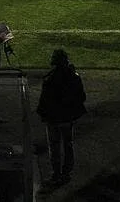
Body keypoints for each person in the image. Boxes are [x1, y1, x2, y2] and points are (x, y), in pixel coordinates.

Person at [37, 49, 87, 189]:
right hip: (67, 118)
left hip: (53, 120)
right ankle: (66, 173)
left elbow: (44, 102)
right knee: (68, 144)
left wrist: (43, 115)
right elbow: (81, 97)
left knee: (54, 146)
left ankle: (56, 174)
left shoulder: (49, 79)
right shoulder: (74, 77)